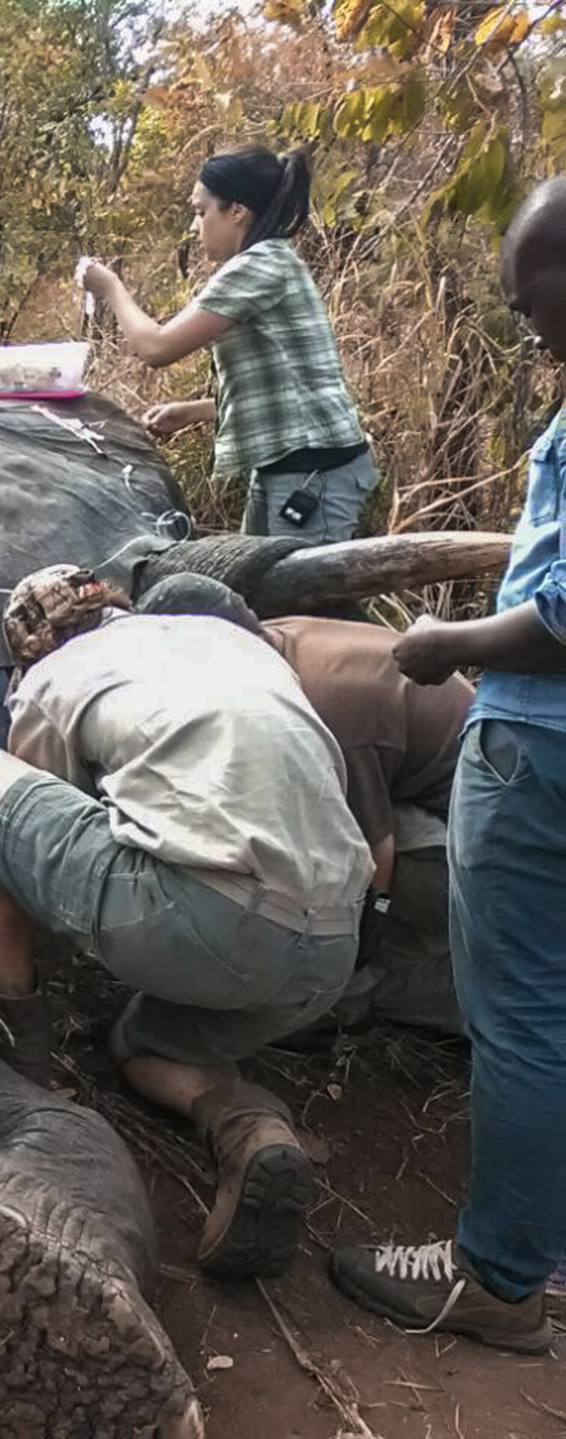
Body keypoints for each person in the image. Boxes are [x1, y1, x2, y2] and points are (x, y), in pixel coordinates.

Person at [0, 565, 372, 1277]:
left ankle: (23, 1044)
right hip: (329, 946)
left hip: (198, 920)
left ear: (28, 654)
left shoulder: (52, 678)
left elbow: (33, 821)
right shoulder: (224, 640)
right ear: (117, 608)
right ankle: (247, 1125)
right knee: (142, 1044)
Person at [328, 178, 566, 1355]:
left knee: (517, 1011)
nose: (529, 334)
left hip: (539, 742)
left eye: (537, 305)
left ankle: (501, 1276)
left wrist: (444, 644)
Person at [138, 574, 475, 1031]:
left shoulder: (323, 706)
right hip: (429, 800)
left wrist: (353, 951)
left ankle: (348, 1000)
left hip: (472, 847)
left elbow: (374, 860)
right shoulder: (270, 639)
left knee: (320, 888)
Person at [78, 146, 377, 543]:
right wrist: (194, 412)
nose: (194, 225)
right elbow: (289, 388)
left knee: (306, 602)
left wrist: (110, 286)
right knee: (259, 596)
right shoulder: (269, 261)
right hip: (287, 467)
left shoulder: (259, 266)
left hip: (313, 475)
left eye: (201, 212)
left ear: (237, 211)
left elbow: (156, 348)